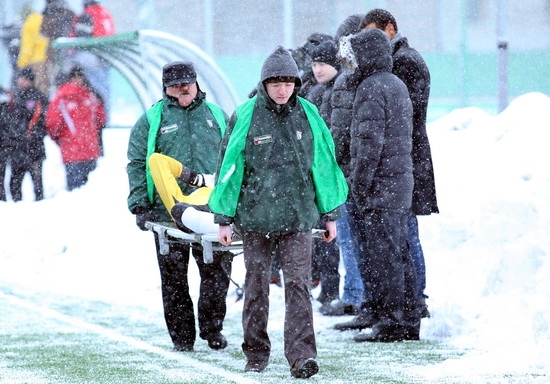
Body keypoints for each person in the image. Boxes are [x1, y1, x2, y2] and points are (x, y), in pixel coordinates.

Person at [208, 46, 348, 377]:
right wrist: (224, 218)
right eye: (276, 84)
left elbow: (324, 166)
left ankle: (301, 356)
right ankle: (255, 354)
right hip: (256, 219)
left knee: (298, 286)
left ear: (295, 85)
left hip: (298, 218)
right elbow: (228, 168)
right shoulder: (245, 115)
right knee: (256, 287)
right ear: (265, 85)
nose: (282, 90)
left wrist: (330, 214)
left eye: (288, 83)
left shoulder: (309, 114)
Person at [126, 61, 232, 353]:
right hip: (167, 213)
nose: (183, 89)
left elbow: (234, 160)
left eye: (187, 83)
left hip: (211, 211)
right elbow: (137, 164)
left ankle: (212, 328)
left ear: (197, 84)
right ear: (165, 89)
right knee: (173, 279)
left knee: (216, 272)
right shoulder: (152, 120)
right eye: (175, 85)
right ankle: (182, 337)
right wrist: (139, 205)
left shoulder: (217, 116)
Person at [338, 28, 420, 342]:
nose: (351, 63)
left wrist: (358, 186)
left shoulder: (371, 88)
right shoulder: (394, 83)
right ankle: (405, 319)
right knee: (397, 253)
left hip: (381, 187)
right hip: (397, 184)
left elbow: (368, 145)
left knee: (385, 256)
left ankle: (393, 322)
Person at [360, 8, 439, 318]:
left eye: (375, 33)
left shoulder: (404, 62)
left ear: (390, 28)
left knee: (403, 237)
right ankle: (409, 302)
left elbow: (406, 117)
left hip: (405, 159)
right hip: (403, 158)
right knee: (400, 237)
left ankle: (414, 301)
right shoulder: (398, 62)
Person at [326, 14, 367, 319]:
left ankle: (357, 295)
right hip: (349, 171)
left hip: (351, 172)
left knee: (351, 239)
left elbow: (340, 132)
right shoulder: (349, 80)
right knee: (348, 238)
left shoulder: (351, 81)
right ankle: (355, 294)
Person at [305, 40, 345, 313]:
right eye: (315, 64)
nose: (317, 69)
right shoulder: (317, 92)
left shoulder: (339, 91)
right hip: (317, 173)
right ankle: (326, 287)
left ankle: (333, 288)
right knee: (321, 236)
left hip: (330, 174)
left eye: (323, 64)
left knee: (332, 236)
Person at [45, 65, 106, 191]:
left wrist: (58, 138)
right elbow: (101, 119)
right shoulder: (91, 96)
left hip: (70, 150)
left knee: (74, 190)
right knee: (91, 190)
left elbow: (53, 124)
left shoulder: (60, 98)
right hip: (90, 148)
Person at [5, 68, 49, 201]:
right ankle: (18, 208)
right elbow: (11, 120)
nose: (20, 81)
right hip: (18, 149)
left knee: (37, 183)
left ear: (29, 79)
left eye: (22, 78)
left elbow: (43, 121)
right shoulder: (16, 97)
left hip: (33, 148)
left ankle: (39, 207)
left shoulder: (39, 97)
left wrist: (31, 135)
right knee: (14, 184)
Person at [17, 7, 50, 95]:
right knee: (44, 88)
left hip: (34, 61)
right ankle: (45, 105)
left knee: (35, 90)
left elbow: (27, 46)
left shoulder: (28, 24)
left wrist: (22, 63)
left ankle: (35, 108)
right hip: (45, 58)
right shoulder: (41, 20)